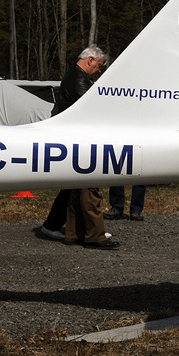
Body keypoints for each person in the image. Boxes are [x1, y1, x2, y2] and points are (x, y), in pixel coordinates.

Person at [39, 46, 120, 250]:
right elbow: (92, 108)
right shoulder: (78, 80)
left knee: (74, 187)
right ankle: (89, 232)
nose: (99, 70)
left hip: (69, 135)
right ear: (90, 60)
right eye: (99, 66)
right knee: (87, 186)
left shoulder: (75, 76)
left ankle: (70, 230)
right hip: (77, 138)